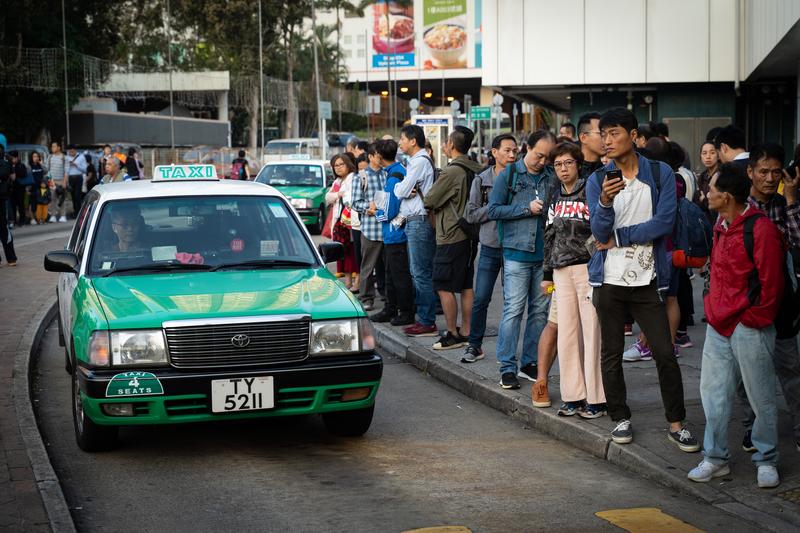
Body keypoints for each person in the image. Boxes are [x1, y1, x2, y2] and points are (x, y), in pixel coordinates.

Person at [586, 107, 698, 451]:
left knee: (665, 352)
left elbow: (664, 222)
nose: (607, 141)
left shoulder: (661, 174)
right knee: (612, 353)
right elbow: (598, 231)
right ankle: (619, 416)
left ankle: (676, 422)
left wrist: (621, 237)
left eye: (614, 133)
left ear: (634, 137)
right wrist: (605, 203)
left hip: (649, 280)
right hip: (609, 280)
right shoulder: (596, 181)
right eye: (603, 135)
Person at [688, 162, 784, 489]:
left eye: (711, 189)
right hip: (720, 323)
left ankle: (767, 458)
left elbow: (772, 284)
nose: (706, 193)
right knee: (713, 394)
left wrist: (753, 319)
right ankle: (715, 459)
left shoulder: (761, 229)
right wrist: (715, 308)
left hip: (749, 324)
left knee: (761, 396)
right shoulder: (721, 224)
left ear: (725, 196)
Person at [740, 143, 800, 454]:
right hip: (747, 302)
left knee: (790, 368)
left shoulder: (784, 204)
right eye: (763, 171)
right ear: (750, 171)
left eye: (776, 172)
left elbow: (797, 241)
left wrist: (791, 200)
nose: (769, 177)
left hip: (782, 302)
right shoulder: (737, 205)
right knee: (750, 373)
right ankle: (753, 427)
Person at [488, 129, 557, 390]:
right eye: (539, 155)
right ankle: (507, 366)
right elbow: (493, 210)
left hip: (546, 256)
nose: (542, 162)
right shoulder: (509, 174)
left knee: (539, 312)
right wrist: (525, 209)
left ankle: (530, 362)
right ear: (527, 148)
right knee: (513, 311)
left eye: (547, 157)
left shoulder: (552, 176)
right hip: (516, 253)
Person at [541, 142, 606, 418]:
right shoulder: (554, 198)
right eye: (557, 165)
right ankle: (573, 396)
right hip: (560, 271)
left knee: (593, 332)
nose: (563, 169)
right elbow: (548, 236)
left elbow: (602, 228)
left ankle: (597, 399)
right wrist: (546, 274)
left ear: (578, 164)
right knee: (566, 334)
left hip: (587, 269)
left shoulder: (589, 191)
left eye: (568, 163)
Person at [422, 126, 484, 350]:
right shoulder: (477, 168)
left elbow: (429, 200)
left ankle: (452, 333)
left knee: (443, 285)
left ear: (452, 145)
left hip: (450, 235)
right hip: (470, 234)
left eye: (446, 142)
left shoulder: (451, 172)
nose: (444, 145)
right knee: (466, 284)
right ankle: (467, 331)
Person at [461, 133, 518, 363]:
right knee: (481, 298)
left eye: (515, 150)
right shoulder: (481, 179)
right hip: (489, 247)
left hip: (515, 248)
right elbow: (471, 214)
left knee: (512, 303)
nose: (512, 154)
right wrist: (496, 208)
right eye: (507, 150)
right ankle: (474, 345)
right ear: (494, 153)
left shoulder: (521, 178)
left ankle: (508, 353)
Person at [394, 124, 438, 337]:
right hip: (416, 221)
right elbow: (405, 190)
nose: (400, 142)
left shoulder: (419, 162)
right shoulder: (417, 161)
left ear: (413, 140)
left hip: (419, 222)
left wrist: (399, 187)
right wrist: (403, 189)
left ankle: (427, 321)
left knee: (420, 273)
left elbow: (401, 190)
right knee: (419, 272)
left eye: (402, 139)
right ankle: (425, 319)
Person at [372, 139, 415, 326]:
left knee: (398, 275)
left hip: (395, 234)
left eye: (373, 155)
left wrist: (375, 212)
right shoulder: (399, 170)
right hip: (397, 233)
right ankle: (391, 309)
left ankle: (405, 312)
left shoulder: (393, 177)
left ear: (380, 157)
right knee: (392, 274)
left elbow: (389, 211)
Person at [352, 143, 386, 311]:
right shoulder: (361, 177)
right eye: (379, 156)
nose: (381, 159)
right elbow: (355, 203)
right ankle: (366, 298)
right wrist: (368, 207)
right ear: (371, 156)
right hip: (370, 228)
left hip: (388, 228)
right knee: (368, 266)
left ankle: (387, 296)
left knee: (389, 267)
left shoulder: (388, 173)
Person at [325, 153, 359, 290]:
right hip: (340, 221)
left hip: (352, 222)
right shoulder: (337, 181)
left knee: (354, 252)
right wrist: (337, 194)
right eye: (335, 166)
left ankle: (357, 282)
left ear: (348, 164)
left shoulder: (353, 179)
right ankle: (348, 281)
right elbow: (327, 197)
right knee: (344, 252)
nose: (338, 168)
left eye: (341, 164)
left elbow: (348, 198)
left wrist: (337, 195)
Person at [0, 146, 18, 265]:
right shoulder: (7, 164)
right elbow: (13, 177)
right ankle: (11, 259)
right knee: (3, 228)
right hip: (2, 198)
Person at [697, 141, 720, 225]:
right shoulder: (702, 177)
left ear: (718, 155)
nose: (708, 157)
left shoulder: (721, 174)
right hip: (706, 222)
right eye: (704, 153)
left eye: (712, 153)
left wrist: (704, 200)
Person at [48, 141, 67, 222]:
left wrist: (64, 181)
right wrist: (49, 180)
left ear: (59, 147)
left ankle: (63, 215)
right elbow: (48, 170)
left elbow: (66, 171)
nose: (53, 148)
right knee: (53, 198)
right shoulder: (50, 157)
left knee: (62, 199)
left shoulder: (63, 157)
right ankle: (53, 216)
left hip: (61, 180)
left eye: (54, 146)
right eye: (52, 147)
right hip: (52, 181)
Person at [66, 145, 88, 216]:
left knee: (77, 195)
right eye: (70, 151)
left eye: (72, 151)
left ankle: (78, 212)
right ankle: (75, 211)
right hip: (70, 178)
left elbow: (85, 170)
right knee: (72, 196)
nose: (71, 153)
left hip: (78, 177)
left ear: (76, 150)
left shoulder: (81, 157)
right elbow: (65, 170)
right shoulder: (66, 158)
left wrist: (76, 165)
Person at [8, 150, 28, 226]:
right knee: (13, 205)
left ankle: (22, 220)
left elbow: (24, 174)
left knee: (20, 205)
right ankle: (14, 220)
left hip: (20, 188)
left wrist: (15, 173)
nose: (12, 160)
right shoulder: (9, 165)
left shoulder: (21, 165)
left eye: (13, 158)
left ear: (17, 158)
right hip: (11, 188)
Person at [28, 152, 47, 224]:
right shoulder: (29, 166)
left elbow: (46, 171)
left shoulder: (40, 165)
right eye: (34, 156)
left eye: (37, 156)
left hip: (41, 187)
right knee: (32, 204)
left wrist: (42, 164)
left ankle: (41, 218)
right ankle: (32, 218)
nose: (36, 158)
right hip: (32, 187)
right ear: (31, 158)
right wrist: (27, 188)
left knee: (41, 202)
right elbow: (27, 177)